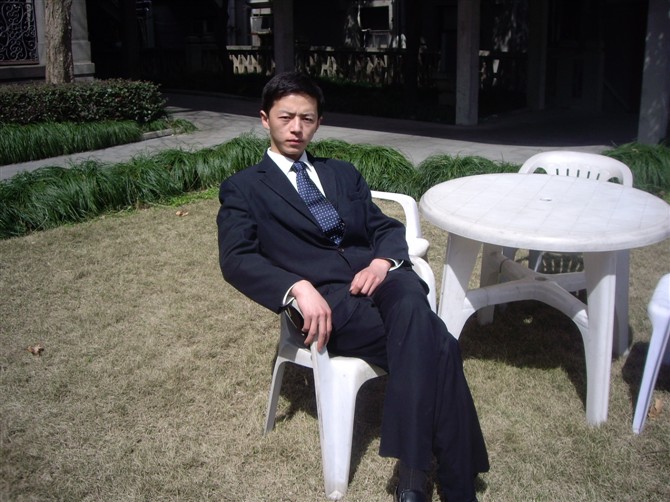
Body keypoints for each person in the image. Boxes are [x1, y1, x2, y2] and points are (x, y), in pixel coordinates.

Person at [217, 71, 489, 502]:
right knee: (438, 345)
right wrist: (296, 287)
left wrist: (383, 262)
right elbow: (236, 258)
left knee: (411, 303)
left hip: (383, 281)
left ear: (319, 122)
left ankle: (415, 478)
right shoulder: (244, 188)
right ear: (265, 119)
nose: (296, 128)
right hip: (330, 302)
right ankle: (438, 481)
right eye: (286, 117)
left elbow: (384, 227)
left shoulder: (342, 173)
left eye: (307, 118)